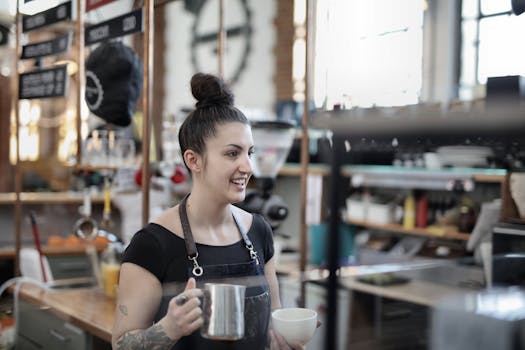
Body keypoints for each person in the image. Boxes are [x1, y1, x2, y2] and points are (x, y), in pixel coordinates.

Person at [112, 73, 304, 350]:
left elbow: (271, 325)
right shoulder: (152, 245)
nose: (248, 167)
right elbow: (120, 344)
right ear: (193, 160)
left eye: (249, 153)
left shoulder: (259, 232)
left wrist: (284, 340)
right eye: (232, 153)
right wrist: (169, 328)